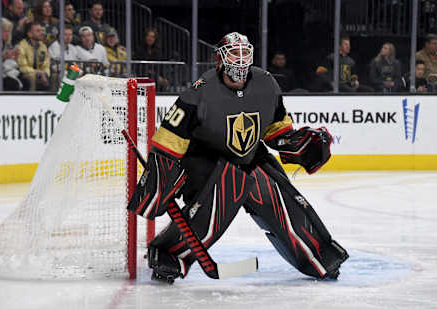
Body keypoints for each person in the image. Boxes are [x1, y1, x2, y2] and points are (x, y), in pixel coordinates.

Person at [127, 32, 349, 284]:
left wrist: (292, 142)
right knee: (212, 210)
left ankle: (318, 257)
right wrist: (161, 173)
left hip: (252, 158)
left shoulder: (267, 83)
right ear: (220, 60)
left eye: (245, 53)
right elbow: (170, 137)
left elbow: (276, 126)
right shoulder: (200, 91)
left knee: (283, 201)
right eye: (234, 53)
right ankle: (168, 256)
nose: (240, 60)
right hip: (206, 162)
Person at [17, 21, 50, 91]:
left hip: (40, 74)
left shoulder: (43, 46)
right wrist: (38, 72)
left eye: (41, 30)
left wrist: (44, 73)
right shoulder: (21, 46)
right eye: (38, 31)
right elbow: (22, 67)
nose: (41, 33)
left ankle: (55, 100)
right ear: (29, 34)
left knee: (55, 76)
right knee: (31, 77)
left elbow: (46, 65)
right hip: (24, 74)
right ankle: (30, 100)